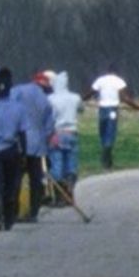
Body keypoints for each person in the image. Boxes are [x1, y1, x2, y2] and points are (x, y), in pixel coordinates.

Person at [0, 69, 28, 231]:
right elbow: (22, 133)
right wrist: (24, 153)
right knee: (10, 184)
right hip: (11, 150)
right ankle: (9, 217)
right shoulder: (19, 108)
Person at [11, 71, 55, 223]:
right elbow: (49, 128)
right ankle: (33, 212)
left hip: (18, 143)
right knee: (35, 180)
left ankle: (13, 212)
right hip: (37, 145)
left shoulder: (18, 90)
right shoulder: (46, 101)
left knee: (15, 179)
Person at [86, 66, 139, 170]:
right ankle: (106, 159)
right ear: (116, 72)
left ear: (107, 71)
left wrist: (80, 99)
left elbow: (90, 93)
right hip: (112, 110)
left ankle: (107, 160)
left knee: (103, 133)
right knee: (110, 134)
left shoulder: (101, 80)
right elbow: (124, 98)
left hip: (102, 110)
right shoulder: (119, 81)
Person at [46, 72, 85, 204]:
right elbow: (81, 109)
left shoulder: (50, 99)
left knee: (57, 164)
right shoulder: (75, 97)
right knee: (71, 165)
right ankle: (69, 192)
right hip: (72, 132)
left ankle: (60, 196)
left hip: (57, 133)